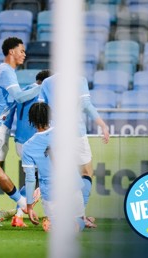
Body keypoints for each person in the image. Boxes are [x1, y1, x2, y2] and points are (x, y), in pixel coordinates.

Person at [0, 37, 42, 221]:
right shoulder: (6, 71)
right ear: (11, 52)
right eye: (21, 51)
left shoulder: (3, 71)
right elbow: (20, 97)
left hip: (0, 126)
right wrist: (40, 86)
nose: (24, 54)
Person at [39, 74, 110, 228]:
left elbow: (41, 109)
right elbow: (86, 104)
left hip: (55, 133)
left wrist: (42, 134)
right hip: (76, 132)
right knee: (86, 171)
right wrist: (102, 125)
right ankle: (79, 216)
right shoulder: (79, 79)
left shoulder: (47, 82)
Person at [22, 102, 86, 232]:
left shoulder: (28, 146)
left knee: (57, 223)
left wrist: (29, 206)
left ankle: (55, 223)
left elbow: (30, 179)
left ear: (31, 120)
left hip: (51, 191)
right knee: (79, 221)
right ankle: (74, 223)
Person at [10, 69, 51, 227]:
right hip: (33, 142)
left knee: (33, 177)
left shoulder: (24, 90)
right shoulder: (41, 92)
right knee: (45, 178)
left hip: (20, 141)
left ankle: (19, 214)